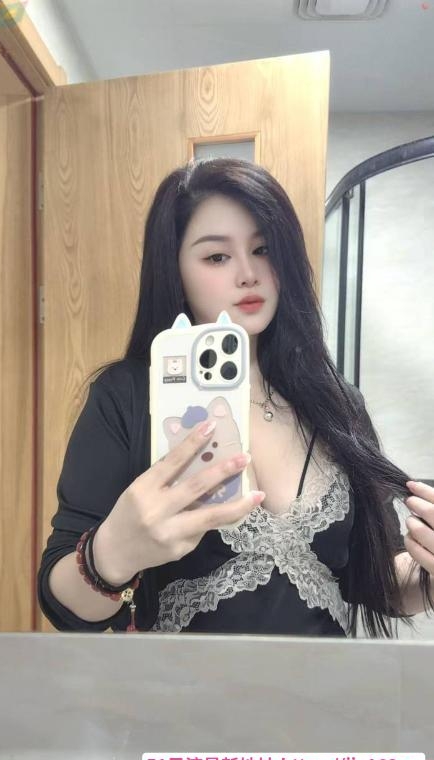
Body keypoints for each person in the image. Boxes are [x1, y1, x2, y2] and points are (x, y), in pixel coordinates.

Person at [38, 157, 434, 638]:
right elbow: (62, 603)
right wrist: (112, 554)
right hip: (180, 685)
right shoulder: (127, 396)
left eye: (263, 249)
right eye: (216, 257)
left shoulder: (337, 404)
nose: (248, 273)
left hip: (324, 684)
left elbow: (375, 583)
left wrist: (429, 574)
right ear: (175, 270)